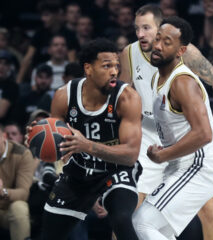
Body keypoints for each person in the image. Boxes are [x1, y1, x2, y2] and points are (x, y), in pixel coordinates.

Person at [119, 5, 213, 240]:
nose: (153, 42)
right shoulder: (144, 62)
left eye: (147, 28)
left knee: (143, 223)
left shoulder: (182, 80)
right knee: (149, 224)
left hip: (196, 159)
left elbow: (203, 132)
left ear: (181, 49)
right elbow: (122, 98)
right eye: (157, 38)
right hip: (163, 147)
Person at [28, 38, 142, 240]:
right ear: (88, 69)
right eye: (107, 66)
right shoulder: (64, 96)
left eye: (116, 66)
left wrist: (88, 145)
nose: (114, 72)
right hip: (79, 172)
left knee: (122, 220)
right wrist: (38, 137)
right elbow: (56, 145)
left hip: (115, 170)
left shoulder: (127, 98)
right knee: (48, 234)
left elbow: (131, 155)